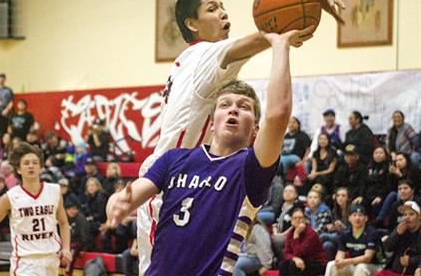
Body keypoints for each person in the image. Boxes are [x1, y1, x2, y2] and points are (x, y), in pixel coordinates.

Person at [134, 0, 345, 274]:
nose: (222, 13)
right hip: (169, 187)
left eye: (222, 7)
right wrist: (291, 18)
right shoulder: (201, 55)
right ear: (192, 24)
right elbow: (253, 42)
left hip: (198, 182)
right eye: (212, 8)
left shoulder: (190, 63)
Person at [107, 22, 310, 275]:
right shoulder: (174, 159)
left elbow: (278, 113)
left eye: (244, 107)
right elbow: (133, 194)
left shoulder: (250, 169)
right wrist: (117, 202)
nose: (234, 109)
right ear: (212, 123)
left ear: (255, 131)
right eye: (225, 104)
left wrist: (280, 45)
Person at [0, 142, 71, 276]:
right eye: (26, 163)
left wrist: (66, 248)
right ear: (18, 169)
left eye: (35, 162)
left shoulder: (55, 191)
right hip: (25, 263)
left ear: (41, 167)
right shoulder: (10, 197)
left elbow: (64, 223)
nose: (31, 166)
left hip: (51, 260)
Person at [324, 205, 384, 276]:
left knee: (361, 268)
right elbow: (340, 253)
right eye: (354, 215)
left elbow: (367, 258)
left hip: (375, 266)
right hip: (354, 264)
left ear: (366, 218)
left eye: (360, 215)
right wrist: (339, 262)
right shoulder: (345, 233)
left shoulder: (372, 233)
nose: (357, 218)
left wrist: (346, 262)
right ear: (349, 218)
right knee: (331, 265)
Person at [373, 201, 421, 276]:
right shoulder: (400, 229)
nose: (407, 217)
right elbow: (387, 248)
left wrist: (411, 260)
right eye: (405, 214)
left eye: (411, 214)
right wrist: (396, 234)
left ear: (419, 216)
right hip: (394, 271)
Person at [279, 206, 327, 276]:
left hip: (317, 263)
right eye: (295, 218)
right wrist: (294, 258)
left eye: (300, 218)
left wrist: (296, 235)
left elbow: (299, 252)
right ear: (291, 221)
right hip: (302, 259)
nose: (298, 220)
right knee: (283, 264)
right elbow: (286, 253)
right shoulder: (290, 233)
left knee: (294, 265)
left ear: (305, 220)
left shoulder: (311, 233)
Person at [306, 132, 337, 198]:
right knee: (308, 179)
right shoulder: (315, 153)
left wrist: (316, 173)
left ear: (328, 140)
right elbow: (314, 167)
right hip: (317, 174)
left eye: (325, 139)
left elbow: (330, 169)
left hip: (328, 174)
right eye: (320, 139)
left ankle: (320, 197)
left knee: (321, 179)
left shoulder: (333, 152)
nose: (322, 141)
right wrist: (312, 173)